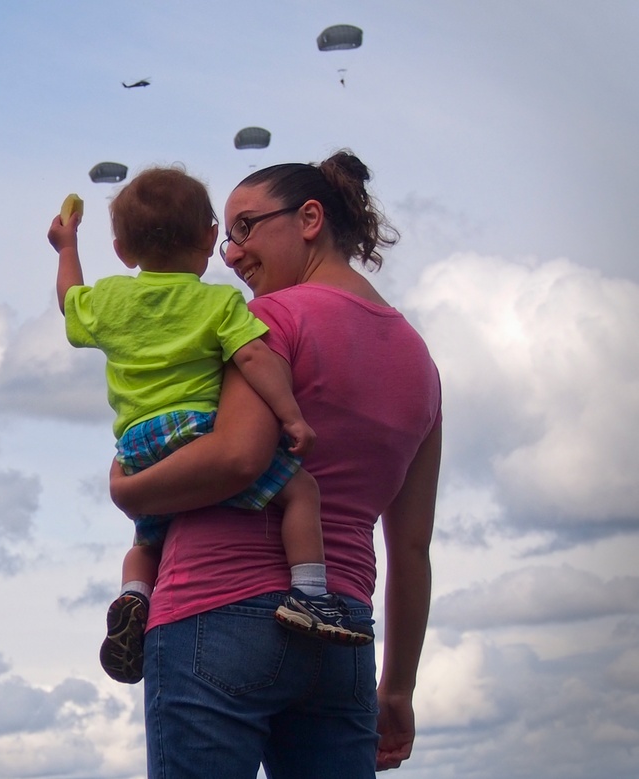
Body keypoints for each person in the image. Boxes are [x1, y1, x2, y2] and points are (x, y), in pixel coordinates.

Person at [108, 151, 442, 777]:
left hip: (216, 609)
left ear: (309, 218)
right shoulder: (419, 362)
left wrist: (131, 492)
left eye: (245, 228)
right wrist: (397, 691)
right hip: (340, 627)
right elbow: (414, 548)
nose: (230, 255)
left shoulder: (267, 321)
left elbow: (237, 458)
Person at [47, 167, 375, 685]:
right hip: (197, 430)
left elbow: (69, 299)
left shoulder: (107, 299)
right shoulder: (220, 302)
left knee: (148, 537)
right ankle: (312, 595)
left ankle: (135, 595)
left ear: (121, 251)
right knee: (302, 491)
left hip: (136, 443)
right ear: (206, 236)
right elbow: (254, 359)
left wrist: (66, 247)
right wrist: (291, 415)